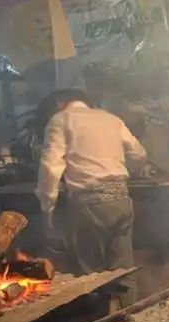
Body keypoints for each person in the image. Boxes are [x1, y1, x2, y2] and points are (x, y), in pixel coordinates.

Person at [36, 88, 148, 275]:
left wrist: (47, 211)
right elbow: (139, 154)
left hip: (89, 205)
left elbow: (50, 168)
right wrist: (123, 169)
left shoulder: (61, 120)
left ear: (59, 104)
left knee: (90, 275)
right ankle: (131, 304)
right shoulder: (111, 119)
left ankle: (98, 304)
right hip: (121, 201)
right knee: (123, 270)